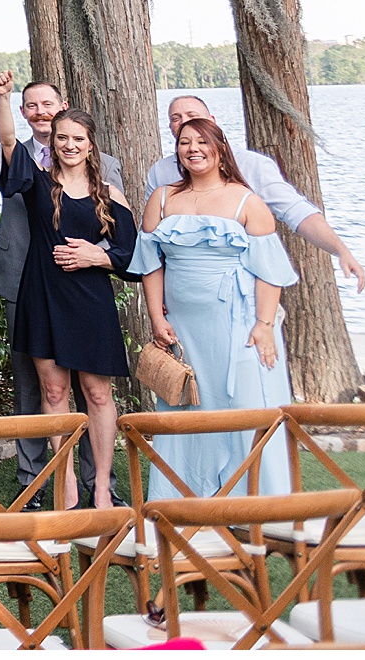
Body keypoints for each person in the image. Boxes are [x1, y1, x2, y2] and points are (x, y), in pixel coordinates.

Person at [132, 115, 299, 499]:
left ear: (220, 149)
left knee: (244, 403)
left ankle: (259, 503)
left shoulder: (247, 201)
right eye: (184, 142)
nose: (192, 149)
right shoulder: (161, 199)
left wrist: (264, 324)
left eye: (202, 142)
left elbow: (269, 271)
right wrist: (157, 318)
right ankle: (181, 499)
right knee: (186, 405)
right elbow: (151, 265)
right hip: (184, 326)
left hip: (237, 322)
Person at [0, 75, 121, 494]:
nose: (40, 111)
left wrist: (96, 256)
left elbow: (118, 226)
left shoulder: (104, 165)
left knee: (93, 387)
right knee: (36, 388)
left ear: (63, 105)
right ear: (24, 113)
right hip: (26, 284)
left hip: (83, 286)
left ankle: (99, 480)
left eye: (47, 104)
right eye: (31, 106)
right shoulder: (20, 161)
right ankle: (40, 481)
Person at [153, 95, 365, 291]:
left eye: (192, 115)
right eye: (175, 118)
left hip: (245, 287)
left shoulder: (252, 165)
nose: (184, 122)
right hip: (181, 288)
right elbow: (154, 240)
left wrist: (341, 250)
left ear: (212, 121)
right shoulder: (161, 173)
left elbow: (296, 211)